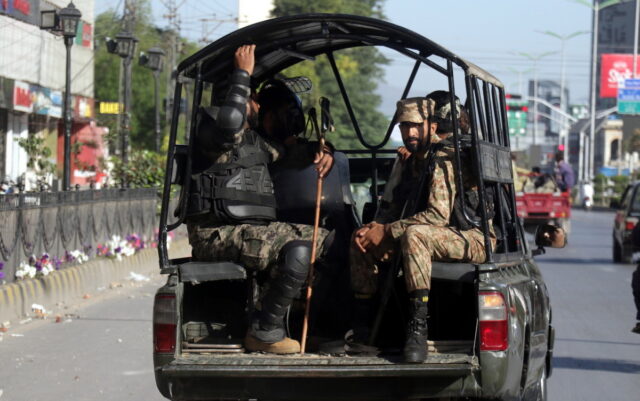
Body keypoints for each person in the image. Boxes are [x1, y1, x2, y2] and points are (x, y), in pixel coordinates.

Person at [186, 45, 334, 354]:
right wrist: (242, 75)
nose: (256, 104)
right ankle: (266, 331)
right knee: (297, 250)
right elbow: (229, 126)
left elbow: (291, 153)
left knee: (329, 243)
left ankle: (303, 325)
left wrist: (322, 151)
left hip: (249, 230)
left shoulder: (255, 141)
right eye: (251, 98)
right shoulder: (211, 131)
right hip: (216, 234)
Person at [349, 93, 494, 363]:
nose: (410, 132)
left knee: (416, 235)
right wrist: (374, 228)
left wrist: (388, 230)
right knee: (360, 239)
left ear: (432, 126)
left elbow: (437, 216)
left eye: (416, 125)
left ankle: (417, 329)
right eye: (404, 126)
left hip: (471, 238)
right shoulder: (411, 159)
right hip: (433, 235)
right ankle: (364, 329)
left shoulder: (444, 155)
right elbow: (390, 207)